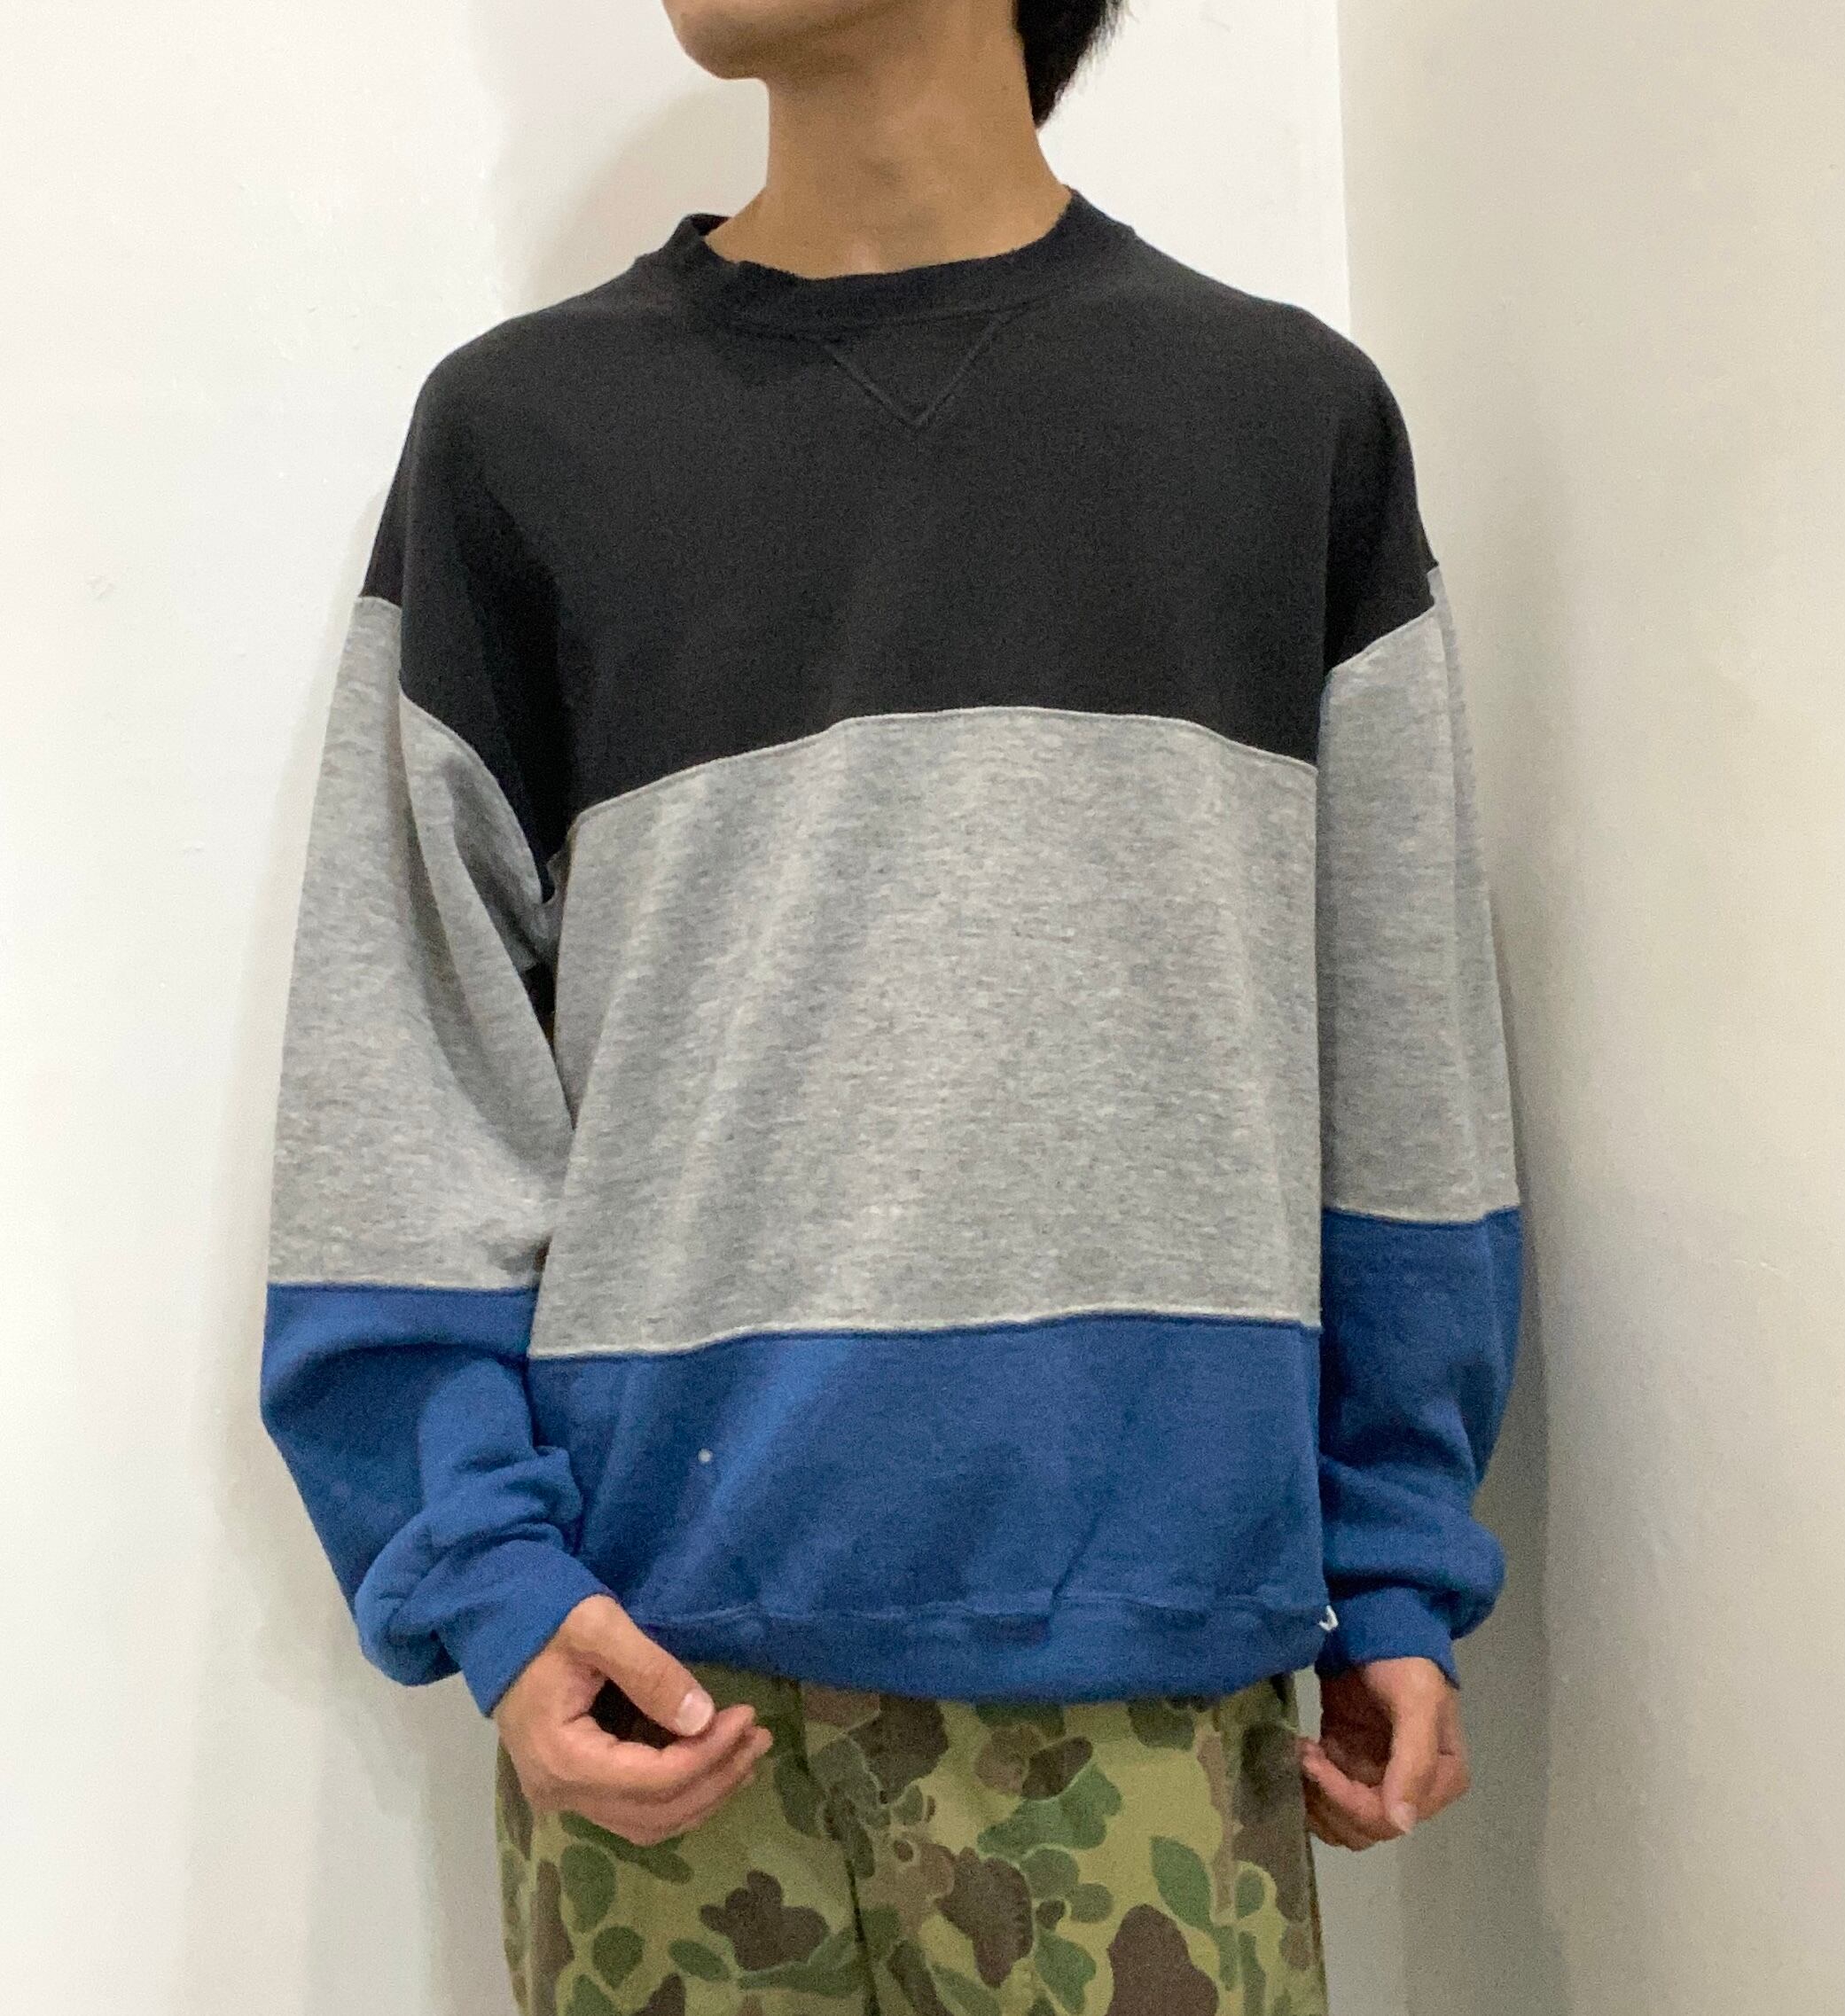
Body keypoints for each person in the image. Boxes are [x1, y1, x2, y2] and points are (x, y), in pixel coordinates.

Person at [259, 2, 1525, 2010]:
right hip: (657, 1696)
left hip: (1149, 1677)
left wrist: (1392, 1541)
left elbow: (1403, 1044)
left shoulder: (1282, 426)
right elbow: (404, 1059)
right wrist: (480, 1566)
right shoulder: (523, 436)